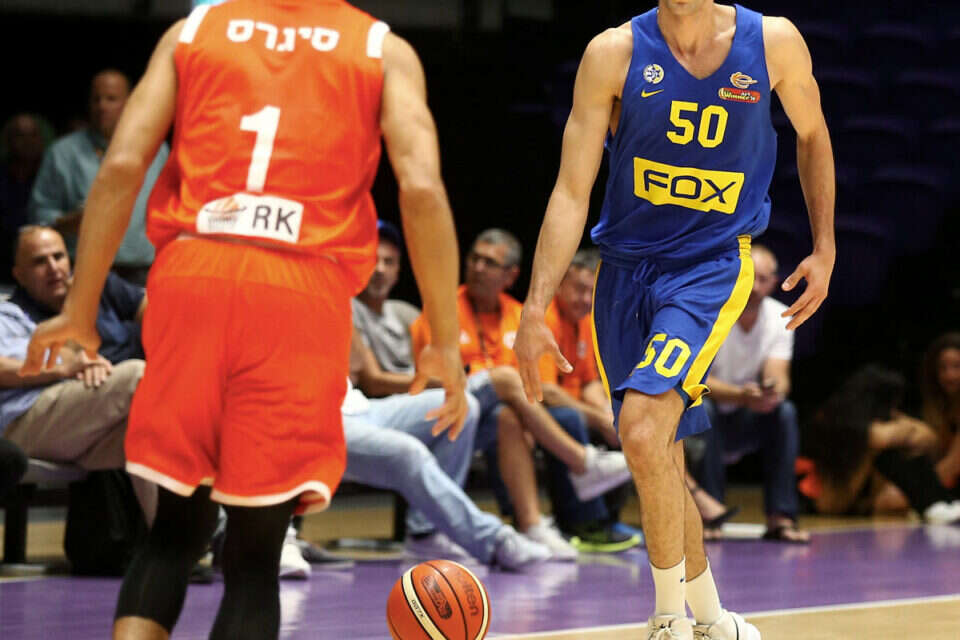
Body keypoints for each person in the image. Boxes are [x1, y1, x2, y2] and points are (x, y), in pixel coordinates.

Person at [20, 1, 468, 638]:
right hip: (299, 288)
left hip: (192, 272)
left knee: (173, 531)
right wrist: (443, 341)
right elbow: (421, 189)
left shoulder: (193, 31)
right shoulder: (382, 49)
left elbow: (122, 166)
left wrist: (79, 310)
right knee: (255, 558)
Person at [514, 2, 835, 638]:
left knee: (639, 431)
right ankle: (714, 620)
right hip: (623, 271)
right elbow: (572, 190)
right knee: (658, 452)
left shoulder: (771, 42)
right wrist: (534, 304)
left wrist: (824, 246)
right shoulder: (613, 52)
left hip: (709, 266)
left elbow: (813, 135)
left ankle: (667, 621)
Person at [411, 228, 636, 555]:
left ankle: (531, 525)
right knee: (506, 380)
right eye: (475, 259)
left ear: (510, 276)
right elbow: (426, 380)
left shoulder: (519, 316)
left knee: (509, 418)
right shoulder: (440, 310)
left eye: (490, 263)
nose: (478, 268)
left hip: (497, 415)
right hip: (445, 406)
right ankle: (583, 464)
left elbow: (534, 382)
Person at [342, 328, 551, 570]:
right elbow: (366, 374)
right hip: (324, 419)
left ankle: (426, 533)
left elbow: (356, 362)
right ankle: (493, 540)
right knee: (409, 454)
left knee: (461, 406)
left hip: (360, 406)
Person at [1, 226, 154, 522]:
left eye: (58, 257)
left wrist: (84, 363)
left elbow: (77, 356)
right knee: (139, 375)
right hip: (20, 423)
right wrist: (65, 368)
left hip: (72, 421)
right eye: (40, 261)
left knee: (153, 435)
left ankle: (178, 539)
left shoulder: (90, 292)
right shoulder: (8, 315)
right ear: (19, 275)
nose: (53, 267)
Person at [688, 245, 808, 543]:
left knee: (785, 412)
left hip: (746, 415)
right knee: (703, 407)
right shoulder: (711, 312)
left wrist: (769, 392)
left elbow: (779, 377)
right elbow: (695, 379)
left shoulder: (781, 316)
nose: (754, 287)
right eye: (749, 277)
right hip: (703, 417)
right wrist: (740, 395)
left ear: (774, 282)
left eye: (762, 279)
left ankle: (781, 516)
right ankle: (710, 515)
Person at [28, 69, 169, 286]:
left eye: (111, 99)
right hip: (81, 271)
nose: (102, 106)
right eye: (96, 99)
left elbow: (171, 207)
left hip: (143, 270)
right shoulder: (62, 153)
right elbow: (38, 215)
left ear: (130, 102)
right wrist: (68, 222)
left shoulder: (156, 150)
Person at [801, 366, 960, 523]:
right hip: (824, 501)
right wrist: (901, 432)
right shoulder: (839, 421)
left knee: (908, 453)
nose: (893, 410)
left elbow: (928, 438)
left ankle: (939, 501)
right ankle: (932, 504)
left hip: (856, 500)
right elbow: (881, 438)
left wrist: (903, 429)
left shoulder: (883, 419)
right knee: (889, 455)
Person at [0, 113, 49, 284]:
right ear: (8, 141)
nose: (28, 141)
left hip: (41, 267)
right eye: (20, 135)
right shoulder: (2, 176)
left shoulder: (51, 176)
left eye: (33, 135)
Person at [921, 333, 960, 490]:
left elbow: (952, 469)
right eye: (943, 368)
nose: (949, 375)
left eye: (957, 366)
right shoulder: (938, 408)